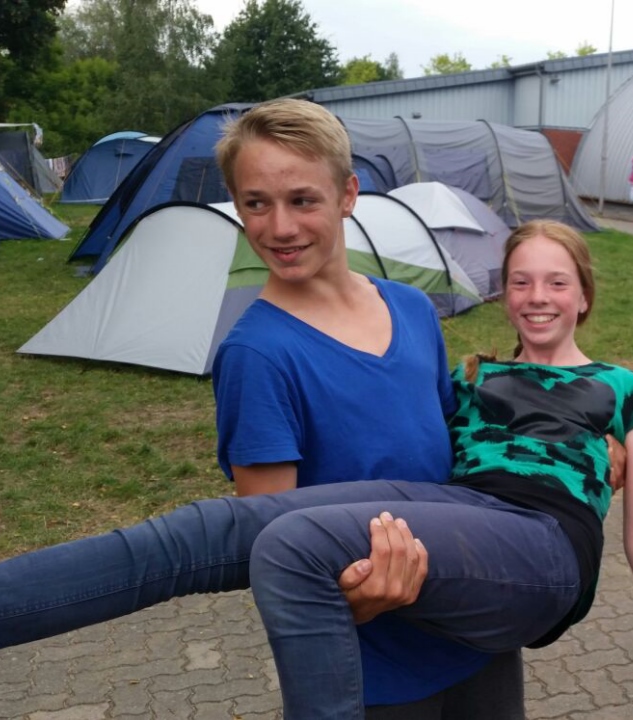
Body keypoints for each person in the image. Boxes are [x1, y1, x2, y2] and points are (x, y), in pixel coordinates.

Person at [0, 218, 633, 720]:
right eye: (520, 281)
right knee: (217, 528)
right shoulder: (474, 377)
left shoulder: (623, 388)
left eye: (557, 282)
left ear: (584, 295)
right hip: (467, 512)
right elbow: (430, 447)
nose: (538, 296)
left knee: (295, 546)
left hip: (547, 545)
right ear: (503, 294)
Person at [209, 97, 524, 718]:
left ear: (347, 195)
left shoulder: (411, 308)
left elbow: (459, 447)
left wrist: (579, 448)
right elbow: (272, 548)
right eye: (256, 203)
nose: (280, 227)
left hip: (477, 628)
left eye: (303, 199)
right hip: (376, 674)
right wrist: (357, 598)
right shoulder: (258, 355)